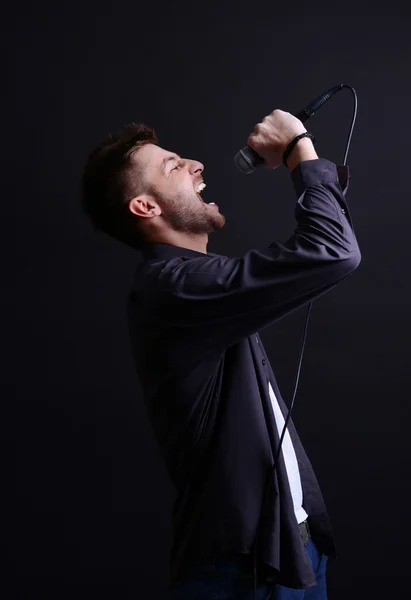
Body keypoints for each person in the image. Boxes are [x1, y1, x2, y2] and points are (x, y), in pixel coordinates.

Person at [81, 110, 361, 599]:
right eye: (172, 166)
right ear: (145, 207)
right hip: (244, 572)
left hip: (291, 553)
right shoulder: (173, 289)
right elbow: (333, 251)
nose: (194, 165)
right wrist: (298, 145)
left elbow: (330, 245)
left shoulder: (199, 284)